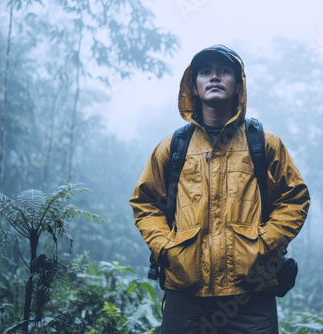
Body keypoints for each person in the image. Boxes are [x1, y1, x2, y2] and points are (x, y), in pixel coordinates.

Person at [129, 44, 310, 334]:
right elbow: (146, 202)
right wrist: (164, 247)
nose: (214, 77)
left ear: (238, 85)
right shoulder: (173, 147)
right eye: (205, 72)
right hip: (185, 295)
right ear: (194, 85)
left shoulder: (264, 144)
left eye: (224, 71)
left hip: (250, 297)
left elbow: (294, 198)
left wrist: (264, 245)